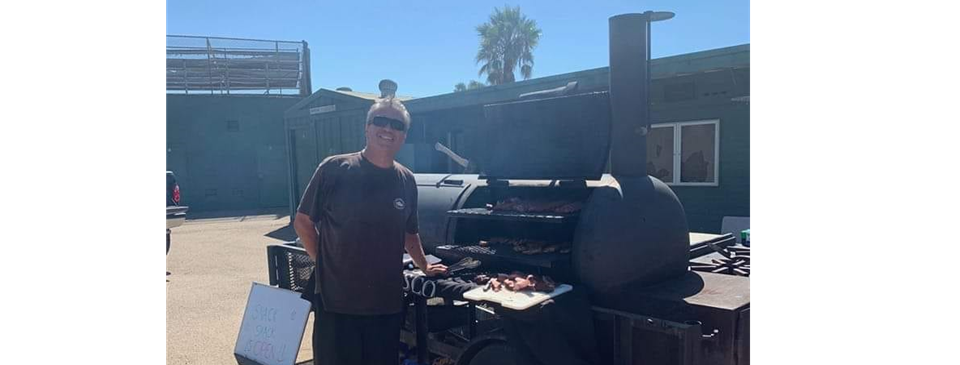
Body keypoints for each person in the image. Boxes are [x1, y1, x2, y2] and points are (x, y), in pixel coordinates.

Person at [294, 96, 447, 365]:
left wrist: (424, 265)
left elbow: (410, 233)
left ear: (404, 135)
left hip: (385, 305)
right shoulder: (334, 168)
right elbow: (303, 221)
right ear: (367, 128)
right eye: (381, 121)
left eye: (396, 125)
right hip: (337, 303)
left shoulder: (406, 180)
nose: (388, 129)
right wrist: (325, 262)